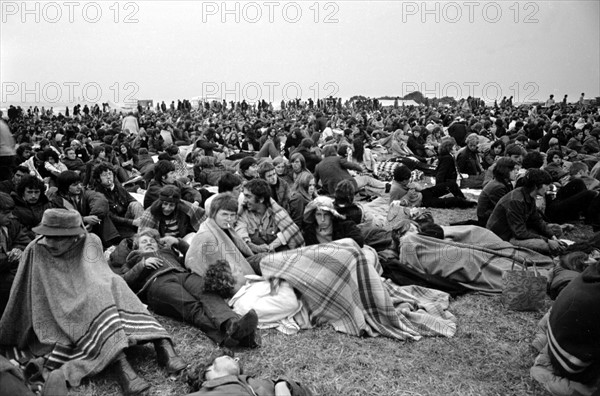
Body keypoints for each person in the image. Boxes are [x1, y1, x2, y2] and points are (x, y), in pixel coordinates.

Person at [0, 209, 186, 395]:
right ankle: (120, 364)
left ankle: (162, 344)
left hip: (95, 291)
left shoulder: (91, 242)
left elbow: (100, 275)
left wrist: (98, 289)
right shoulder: (36, 249)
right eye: (47, 236)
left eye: (57, 238)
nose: (50, 242)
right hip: (59, 304)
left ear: (74, 236)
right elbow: (25, 288)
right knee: (93, 298)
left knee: (114, 284)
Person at [121, 228, 260, 349]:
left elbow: (192, 254)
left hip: (183, 275)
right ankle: (231, 336)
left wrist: (177, 242)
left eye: (151, 241)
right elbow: (124, 281)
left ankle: (232, 324)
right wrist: (142, 265)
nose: (149, 243)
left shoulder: (168, 252)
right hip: (158, 283)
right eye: (144, 242)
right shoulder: (133, 259)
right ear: (137, 247)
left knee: (208, 293)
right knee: (191, 306)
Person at [486, 169, 565, 255]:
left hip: (519, 229)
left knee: (556, 230)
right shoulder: (516, 201)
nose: (548, 187)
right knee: (543, 245)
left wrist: (552, 237)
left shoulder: (529, 195)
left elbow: (537, 220)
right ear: (536, 186)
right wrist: (547, 240)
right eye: (546, 185)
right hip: (505, 236)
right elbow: (520, 233)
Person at [186, 194, 257, 287]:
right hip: (227, 279)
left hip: (239, 265)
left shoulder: (225, 227)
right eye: (224, 214)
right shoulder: (206, 235)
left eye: (232, 215)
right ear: (214, 213)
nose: (229, 219)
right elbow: (195, 264)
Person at [185, 352, 313, 396]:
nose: (237, 359)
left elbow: (304, 391)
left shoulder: (259, 384)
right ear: (207, 370)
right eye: (227, 357)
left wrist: (282, 384)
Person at [50, 170, 119, 246]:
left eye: (80, 183)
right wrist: (84, 219)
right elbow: (61, 219)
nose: (79, 186)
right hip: (70, 231)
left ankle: (112, 242)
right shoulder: (57, 201)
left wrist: (94, 217)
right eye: (75, 185)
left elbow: (99, 199)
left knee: (102, 213)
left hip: (85, 226)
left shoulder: (82, 193)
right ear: (65, 187)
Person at [236, 179, 304, 254]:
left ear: (261, 199)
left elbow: (288, 232)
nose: (244, 200)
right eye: (244, 196)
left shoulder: (276, 212)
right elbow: (240, 235)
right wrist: (256, 248)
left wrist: (270, 247)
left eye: (248, 197)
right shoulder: (244, 214)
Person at [92, 163, 144, 239]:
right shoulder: (97, 194)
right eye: (104, 175)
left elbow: (131, 200)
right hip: (114, 226)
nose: (108, 177)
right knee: (134, 238)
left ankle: (143, 232)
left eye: (110, 174)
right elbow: (110, 216)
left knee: (135, 204)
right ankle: (141, 235)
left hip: (127, 218)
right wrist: (132, 222)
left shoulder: (118, 188)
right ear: (98, 178)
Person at [0, 192, 31, 317]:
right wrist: (9, 258)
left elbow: (24, 241)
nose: (11, 216)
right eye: (5, 213)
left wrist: (18, 250)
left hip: (10, 274)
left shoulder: (12, 224)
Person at [390, 164, 475, 209]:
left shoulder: (403, 183)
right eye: (408, 179)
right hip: (422, 202)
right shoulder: (395, 189)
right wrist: (408, 195)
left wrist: (415, 187)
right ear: (403, 180)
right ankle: (472, 203)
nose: (409, 181)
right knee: (452, 201)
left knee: (450, 185)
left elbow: (418, 189)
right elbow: (393, 206)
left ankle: (464, 198)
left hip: (423, 194)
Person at [139, 185, 205, 240]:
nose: (167, 208)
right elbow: (142, 235)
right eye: (165, 204)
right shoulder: (151, 212)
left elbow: (204, 218)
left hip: (181, 241)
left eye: (171, 205)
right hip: (160, 243)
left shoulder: (184, 207)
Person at [477, 158, 517, 226]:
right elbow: (504, 208)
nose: (516, 172)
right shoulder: (498, 187)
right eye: (513, 170)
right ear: (506, 171)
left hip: (490, 214)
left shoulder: (504, 182)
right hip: (487, 219)